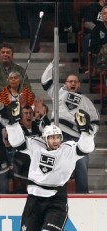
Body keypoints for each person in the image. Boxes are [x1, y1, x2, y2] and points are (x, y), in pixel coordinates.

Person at [5, 106, 95, 231]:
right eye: (52, 137)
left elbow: (86, 148)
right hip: (34, 198)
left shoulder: (68, 149)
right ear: (45, 138)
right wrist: (13, 123)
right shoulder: (35, 145)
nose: (55, 140)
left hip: (57, 198)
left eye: (57, 137)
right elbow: (16, 143)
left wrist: (86, 132)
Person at [41, 60, 100, 193]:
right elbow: (45, 81)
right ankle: (54, 195)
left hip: (77, 139)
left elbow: (95, 121)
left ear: (79, 85)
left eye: (75, 81)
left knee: (81, 167)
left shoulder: (86, 101)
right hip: (58, 137)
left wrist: (88, 133)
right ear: (65, 84)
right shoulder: (58, 92)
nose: (72, 83)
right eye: (70, 81)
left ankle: (83, 197)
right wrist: (52, 64)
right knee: (56, 168)